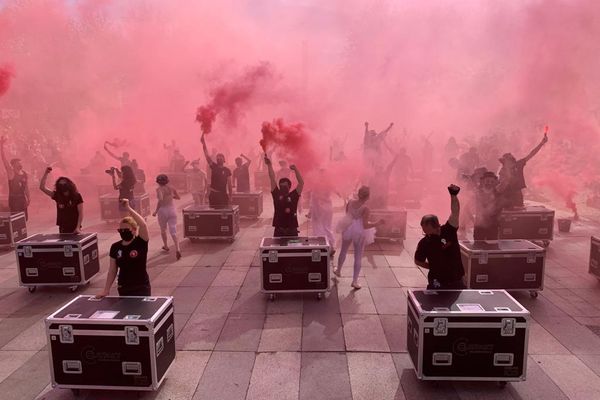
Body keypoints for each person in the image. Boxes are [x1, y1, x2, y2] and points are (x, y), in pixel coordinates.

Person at [414, 184, 466, 290]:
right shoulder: (424, 243)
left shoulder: (449, 230)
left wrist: (453, 196)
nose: (424, 232)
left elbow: (455, 212)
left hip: (456, 279)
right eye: (423, 229)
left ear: (436, 226)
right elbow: (418, 261)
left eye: (426, 229)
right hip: (436, 281)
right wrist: (433, 267)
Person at [97, 198, 151, 297]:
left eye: (126, 229)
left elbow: (143, 224)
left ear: (134, 230)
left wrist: (128, 208)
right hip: (124, 288)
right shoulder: (115, 247)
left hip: (141, 287)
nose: (123, 232)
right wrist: (106, 290)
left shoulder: (140, 242)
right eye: (120, 230)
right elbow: (112, 270)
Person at [334, 186, 384, 289]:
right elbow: (365, 225)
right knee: (358, 255)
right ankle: (355, 281)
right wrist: (377, 223)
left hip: (348, 228)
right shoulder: (366, 209)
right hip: (359, 231)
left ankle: (338, 270)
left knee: (343, 250)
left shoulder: (350, 202)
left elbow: (347, 215)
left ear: (358, 193)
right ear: (368, 197)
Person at [497, 132, 548, 208]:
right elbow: (500, 187)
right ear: (504, 162)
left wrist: (541, 143)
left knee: (519, 212)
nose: (510, 161)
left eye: (510, 159)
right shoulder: (502, 171)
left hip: (517, 194)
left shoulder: (518, 165)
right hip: (506, 195)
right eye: (508, 159)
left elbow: (531, 154)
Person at [265, 154, 304, 237]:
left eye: (285, 186)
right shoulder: (276, 194)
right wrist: (269, 165)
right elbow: (272, 178)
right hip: (279, 230)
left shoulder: (294, 195)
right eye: (281, 186)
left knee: (293, 250)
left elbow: (301, 183)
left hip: (292, 230)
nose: (283, 188)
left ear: (289, 187)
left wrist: (296, 169)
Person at [39, 167, 84, 234]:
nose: (63, 186)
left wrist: (77, 227)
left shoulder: (77, 196)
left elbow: (81, 213)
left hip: (74, 226)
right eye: (61, 185)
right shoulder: (57, 195)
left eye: (64, 184)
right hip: (63, 227)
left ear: (69, 185)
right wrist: (46, 173)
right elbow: (42, 187)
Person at [152, 174, 181, 260]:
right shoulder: (172, 188)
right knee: (173, 230)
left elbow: (160, 200)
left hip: (163, 211)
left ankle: (166, 245)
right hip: (172, 210)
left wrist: (156, 211)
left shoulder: (159, 189)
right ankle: (177, 248)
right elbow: (178, 197)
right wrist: (171, 196)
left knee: (163, 229)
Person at [0, 136, 30, 220]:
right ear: (13, 165)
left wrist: (29, 198)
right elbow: (4, 160)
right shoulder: (11, 173)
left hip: (22, 199)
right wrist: (1, 146)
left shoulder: (24, 173)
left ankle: (24, 233)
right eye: (17, 163)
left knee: (24, 219)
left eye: (20, 162)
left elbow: (26, 187)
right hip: (14, 199)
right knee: (16, 220)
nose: (20, 164)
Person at [201, 133, 232, 208]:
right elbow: (207, 156)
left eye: (221, 157)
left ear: (224, 160)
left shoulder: (227, 170)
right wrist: (203, 143)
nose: (219, 158)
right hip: (213, 195)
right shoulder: (214, 166)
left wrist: (231, 196)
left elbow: (229, 185)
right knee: (213, 215)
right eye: (218, 157)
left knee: (224, 215)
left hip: (223, 195)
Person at [474, 172, 502, 240]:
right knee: (478, 246)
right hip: (479, 227)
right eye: (487, 181)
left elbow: (501, 208)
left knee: (492, 247)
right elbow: (468, 208)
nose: (489, 183)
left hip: (493, 227)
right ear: (483, 181)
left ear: (495, 183)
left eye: (492, 181)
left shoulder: (498, 195)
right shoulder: (477, 194)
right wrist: (472, 220)